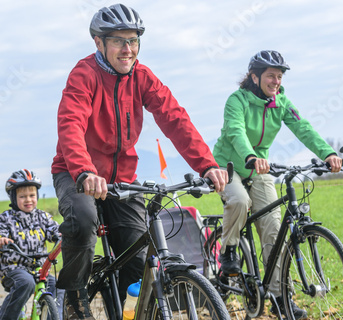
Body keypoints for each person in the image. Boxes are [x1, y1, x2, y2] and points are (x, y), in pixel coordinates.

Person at [51, 4, 229, 320]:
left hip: (121, 181)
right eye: (119, 41)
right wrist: (84, 171)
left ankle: (128, 312)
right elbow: (71, 123)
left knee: (138, 256)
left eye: (133, 40)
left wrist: (206, 164)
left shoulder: (142, 77)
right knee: (82, 220)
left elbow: (175, 118)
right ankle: (74, 296)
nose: (128, 49)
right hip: (77, 173)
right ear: (99, 43)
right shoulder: (85, 74)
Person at [213, 50, 342, 319]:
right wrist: (249, 155)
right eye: (271, 75)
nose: (276, 81)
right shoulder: (236, 101)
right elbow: (236, 130)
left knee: (274, 229)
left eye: (279, 76)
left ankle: (281, 298)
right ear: (254, 76)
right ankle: (228, 250)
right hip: (229, 166)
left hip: (259, 167)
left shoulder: (280, 102)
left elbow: (303, 127)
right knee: (239, 200)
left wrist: (327, 153)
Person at [0, 169, 63, 320]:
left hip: (40, 269)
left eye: (32, 195)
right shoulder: (6, 218)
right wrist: (0, 239)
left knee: (58, 286)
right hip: (13, 268)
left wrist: (61, 234)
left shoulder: (43, 217)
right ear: (13, 198)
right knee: (26, 283)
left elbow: (53, 229)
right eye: (22, 196)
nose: (28, 200)